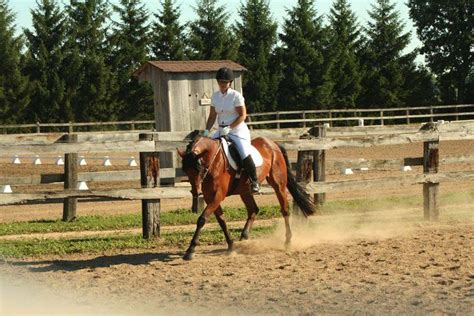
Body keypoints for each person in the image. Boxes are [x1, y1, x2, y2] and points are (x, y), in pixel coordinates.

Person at [203, 67, 260, 193]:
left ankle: (254, 181)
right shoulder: (215, 96)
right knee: (208, 150)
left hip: (237, 130)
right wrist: (206, 131)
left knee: (244, 153)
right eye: (220, 82)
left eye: (225, 82)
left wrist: (230, 127)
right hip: (221, 130)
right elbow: (212, 116)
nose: (222, 84)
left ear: (230, 83)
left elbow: (242, 116)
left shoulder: (236, 96)